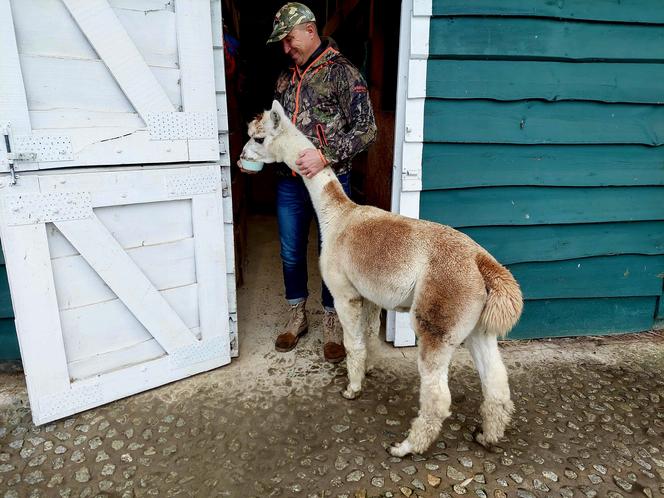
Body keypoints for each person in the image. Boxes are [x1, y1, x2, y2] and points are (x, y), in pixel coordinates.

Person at [240, 2, 377, 363]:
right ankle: (296, 314)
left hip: (331, 182)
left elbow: (367, 130)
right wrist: (254, 154)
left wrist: (325, 154)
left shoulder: (343, 73)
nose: (287, 49)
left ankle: (332, 320)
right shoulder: (285, 78)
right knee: (289, 250)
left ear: (310, 30)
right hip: (289, 182)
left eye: (289, 40)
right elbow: (275, 129)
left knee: (330, 252)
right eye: (283, 44)